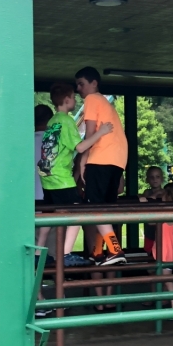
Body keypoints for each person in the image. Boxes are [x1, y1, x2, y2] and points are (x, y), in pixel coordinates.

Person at [37, 82, 114, 268]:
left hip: (46, 175)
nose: (75, 99)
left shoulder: (52, 121)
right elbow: (79, 147)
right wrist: (101, 132)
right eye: (73, 97)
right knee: (77, 211)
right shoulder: (66, 120)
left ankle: (38, 252)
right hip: (61, 177)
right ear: (66, 100)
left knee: (49, 212)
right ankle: (65, 253)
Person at [75, 66, 129, 265]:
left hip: (102, 158)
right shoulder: (106, 104)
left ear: (94, 83)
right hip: (117, 158)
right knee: (104, 207)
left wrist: (83, 160)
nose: (78, 89)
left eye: (81, 84)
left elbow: (89, 133)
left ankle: (115, 250)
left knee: (93, 205)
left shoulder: (92, 99)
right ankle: (98, 251)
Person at [147, 182, 173, 309]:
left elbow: (150, 221)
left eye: (164, 194)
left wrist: (151, 200)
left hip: (164, 252)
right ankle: (163, 302)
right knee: (160, 278)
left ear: (169, 197)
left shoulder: (167, 213)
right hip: (167, 251)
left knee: (168, 281)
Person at [33, 104, 53, 204]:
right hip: (51, 200)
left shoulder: (22, 144)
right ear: (50, 121)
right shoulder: (56, 143)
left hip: (25, 201)